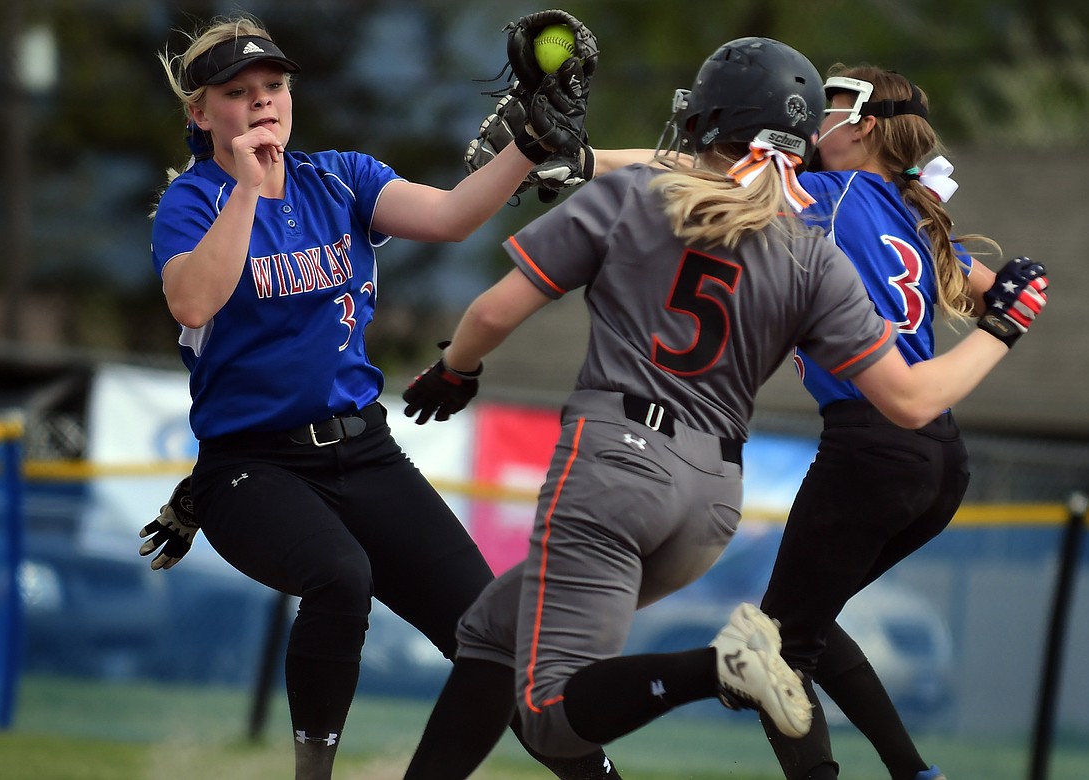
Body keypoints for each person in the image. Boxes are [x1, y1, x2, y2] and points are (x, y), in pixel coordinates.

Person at [397, 36, 1047, 780]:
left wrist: (458, 365)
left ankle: (722, 669)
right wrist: (1004, 325)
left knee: (553, 717)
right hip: (719, 496)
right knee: (489, 634)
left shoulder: (690, 197)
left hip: (620, 460)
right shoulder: (836, 243)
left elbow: (496, 308)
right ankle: (897, 761)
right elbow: (922, 380)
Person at [144, 13, 621, 780]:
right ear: (202, 114)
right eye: (238, 93)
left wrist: (531, 144)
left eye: (274, 87)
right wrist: (245, 188)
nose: (263, 102)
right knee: (340, 576)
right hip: (250, 466)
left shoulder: (339, 178)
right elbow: (195, 302)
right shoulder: (193, 204)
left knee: (494, 637)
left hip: (363, 453)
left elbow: (452, 217)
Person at [749, 65, 1004, 780]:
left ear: (862, 124)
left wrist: (588, 163)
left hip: (871, 445)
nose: (814, 122)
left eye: (829, 109)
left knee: (773, 648)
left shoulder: (834, 193)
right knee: (804, 621)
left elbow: (685, 173)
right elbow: (1004, 290)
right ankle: (914, 773)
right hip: (938, 459)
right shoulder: (910, 205)